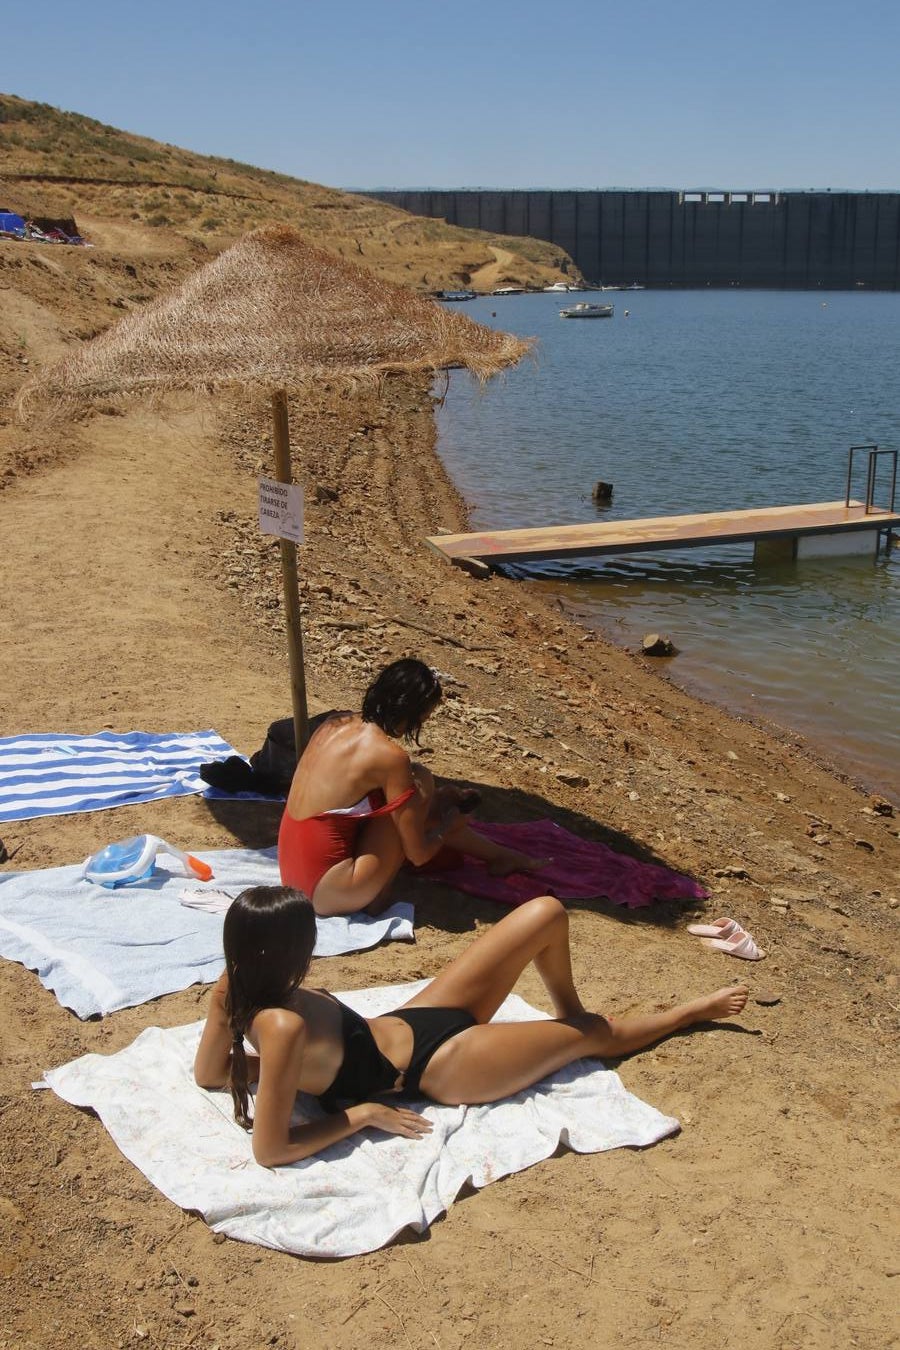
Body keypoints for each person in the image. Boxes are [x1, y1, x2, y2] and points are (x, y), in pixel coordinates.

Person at [194, 885, 749, 1167]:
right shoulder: (281, 1026)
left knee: (547, 912)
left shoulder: (233, 983)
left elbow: (207, 1073)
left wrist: (283, 1074)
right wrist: (358, 1113)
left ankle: (567, 1014)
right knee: (596, 1037)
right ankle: (690, 1013)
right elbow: (270, 1150)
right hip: (439, 1068)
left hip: (411, 1020)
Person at [278, 658, 546, 916]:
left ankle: (501, 856)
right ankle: (378, 894)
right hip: (327, 893)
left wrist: (436, 801)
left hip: (292, 874)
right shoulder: (389, 757)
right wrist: (445, 823)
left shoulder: (333, 723)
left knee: (413, 801)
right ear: (411, 713)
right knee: (419, 784)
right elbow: (418, 854)